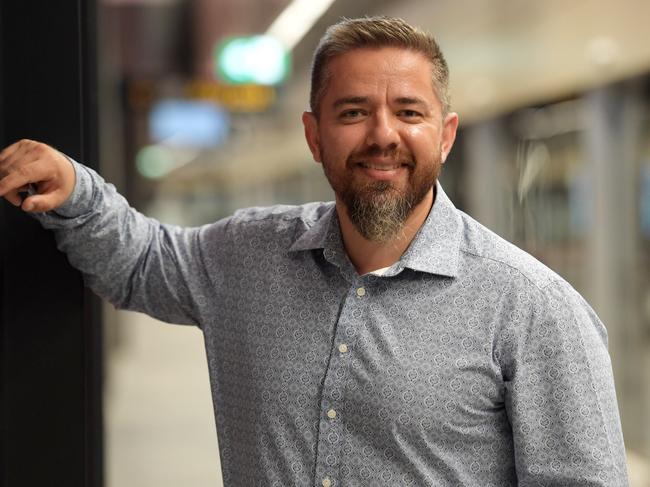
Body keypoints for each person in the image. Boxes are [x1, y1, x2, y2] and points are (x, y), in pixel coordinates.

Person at [0, 16, 629, 487]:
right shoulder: (244, 256)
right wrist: (76, 190)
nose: (383, 135)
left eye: (408, 111)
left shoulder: (537, 312)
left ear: (445, 135)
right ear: (313, 134)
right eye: (353, 111)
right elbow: (141, 261)